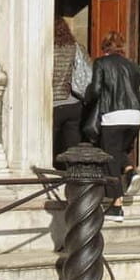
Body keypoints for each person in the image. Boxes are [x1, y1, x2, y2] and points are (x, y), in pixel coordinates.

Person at [85, 31, 140, 222]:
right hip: (134, 117)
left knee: (111, 160)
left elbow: (96, 90)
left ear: (105, 47)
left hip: (113, 116)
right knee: (118, 151)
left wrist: (87, 101)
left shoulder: (101, 63)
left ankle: (116, 207)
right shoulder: (132, 65)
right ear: (121, 47)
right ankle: (130, 171)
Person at [52, 17, 91, 169]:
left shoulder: (47, 48)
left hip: (53, 103)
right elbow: (88, 72)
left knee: (51, 144)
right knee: (72, 145)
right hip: (74, 103)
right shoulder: (76, 48)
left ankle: (53, 174)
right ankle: (74, 174)